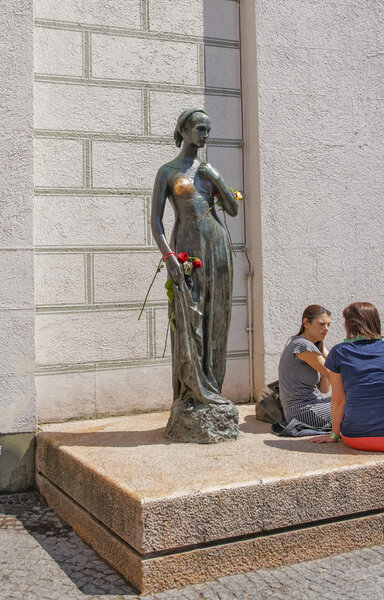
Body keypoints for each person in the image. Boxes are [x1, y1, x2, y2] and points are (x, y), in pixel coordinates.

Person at [151, 108, 239, 441]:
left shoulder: (207, 169)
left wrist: (216, 177)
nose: (205, 135)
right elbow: (156, 222)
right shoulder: (168, 171)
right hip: (186, 250)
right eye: (199, 129)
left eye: (208, 130)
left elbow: (231, 208)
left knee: (217, 320)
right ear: (184, 131)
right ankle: (191, 392)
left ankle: (213, 389)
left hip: (216, 250)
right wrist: (169, 256)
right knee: (190, 320)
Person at [310, 302, 384, 451]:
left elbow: (339, 400)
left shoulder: (339, 352)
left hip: (356, 438)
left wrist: (334, 435)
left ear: (349, 325)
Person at [278, 305, 332, 429]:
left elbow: (324, 389)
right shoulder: (302, 345)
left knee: (351, 405)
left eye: (328, 325)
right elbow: (334, 374)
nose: (326, 328)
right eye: (322, 324)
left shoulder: (309, 345)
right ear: (306, 323)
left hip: (313, 404)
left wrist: (323, 351)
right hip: (302, 410)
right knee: (353, 406)